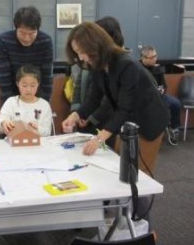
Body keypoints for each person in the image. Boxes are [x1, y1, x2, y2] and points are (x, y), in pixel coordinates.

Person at [62, 22, 170, 173]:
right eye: (77, 52)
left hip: (148, 121)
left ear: (95, 44)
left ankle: (138, 197)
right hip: (126, 123)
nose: (81, 57)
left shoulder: (126, 65)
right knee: (121, 167)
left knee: (139, 173)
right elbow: (94, 97)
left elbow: (125, 108)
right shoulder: (96, 64)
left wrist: (99, 139)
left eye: (82, 51)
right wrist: (76, 114)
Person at [70, 16, 125, 143]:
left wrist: (91, 118)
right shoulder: (88, 59)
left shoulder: (117, 64)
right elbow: (80, 87)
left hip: (104, 121)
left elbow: (109, 98)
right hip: (84, 115)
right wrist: (77, 112)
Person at [0, 6, 54, 105]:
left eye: (32, 34)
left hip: (37, 94)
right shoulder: (4, 40)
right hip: (11, 94)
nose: (27, 38)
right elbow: (4, 77)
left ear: (38, 30)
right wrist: (10, 105)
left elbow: (46, 77)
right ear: (16, 28)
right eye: (22, 33)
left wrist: (43, 103)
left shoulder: (45, 41)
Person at [0, 64, 53, 137]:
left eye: (33, 85)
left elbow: (48, 132)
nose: (28, 90)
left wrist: (38, 128)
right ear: (17, 84)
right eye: (24, 85)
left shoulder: (44, 105)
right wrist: (3, 123)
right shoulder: (11, 102)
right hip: (14, 144)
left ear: (38, 84)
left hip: (37, 145)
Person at [140, 45, 182, 146]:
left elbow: (164, 86)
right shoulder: (138, 69)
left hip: (159, 96)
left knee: (176, 103)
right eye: (151, 58)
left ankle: (174, 128)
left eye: (155, 56)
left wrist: (162, 90)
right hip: (145, 99)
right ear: (143, 58)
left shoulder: (157, 69)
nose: (155, 59)